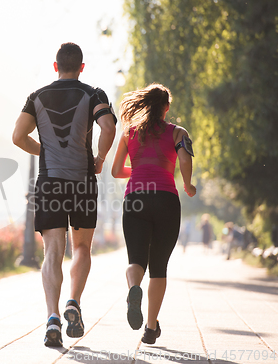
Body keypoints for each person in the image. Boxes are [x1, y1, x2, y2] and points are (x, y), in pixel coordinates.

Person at [12, 42, 116, 347]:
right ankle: (74, 302)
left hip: (50, 182)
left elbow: (18, 136)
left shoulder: (37, 96)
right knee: (81, 248)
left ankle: (53, 319)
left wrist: (45, 150)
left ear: (55, 66)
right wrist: (99, 158)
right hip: (82, 181)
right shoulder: (94, 93)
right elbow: (108, 127)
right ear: (81, 67)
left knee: (53, 252)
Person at [111, 83, 196, 345]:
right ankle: (150, 328)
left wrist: (136, 171)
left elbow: (116, 171)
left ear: (146, 105)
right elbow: (184, 159)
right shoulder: (178, 132)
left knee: (136, 259)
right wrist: (188, 183)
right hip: (166, 200)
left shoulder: (129, 132)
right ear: (166, 107)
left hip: (135, 198)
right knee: (159, 266)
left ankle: (133, 289)